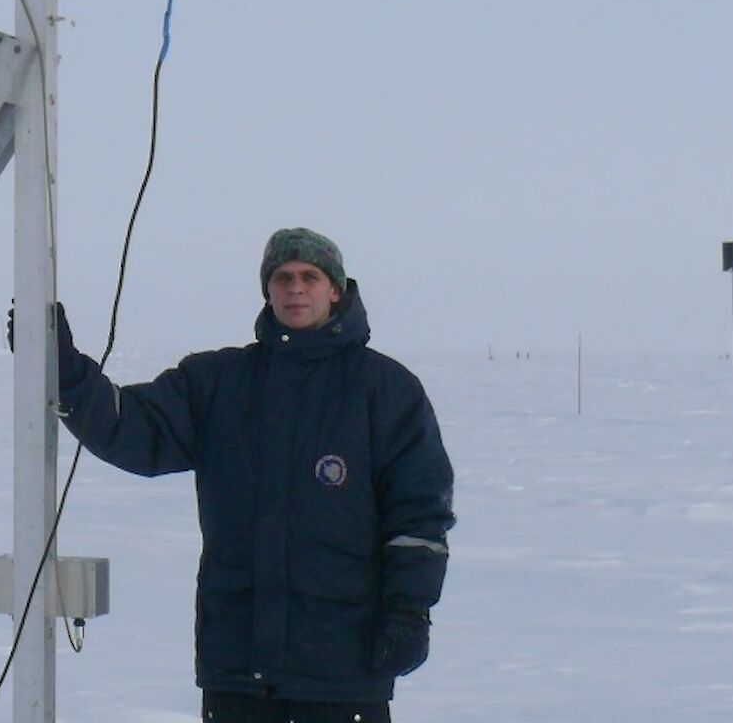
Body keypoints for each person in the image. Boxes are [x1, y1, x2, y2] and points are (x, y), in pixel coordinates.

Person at [43, 227, 456, 722]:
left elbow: (418, 514)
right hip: (238, 670)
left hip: (343, 671)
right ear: (268, 290)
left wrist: (409, 611)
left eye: (310, 276)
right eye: (283, 277)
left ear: (336, 291)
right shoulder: (219, 382)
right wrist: (65, 372)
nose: (295, 288)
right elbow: (133, 429)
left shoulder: (386, 390)